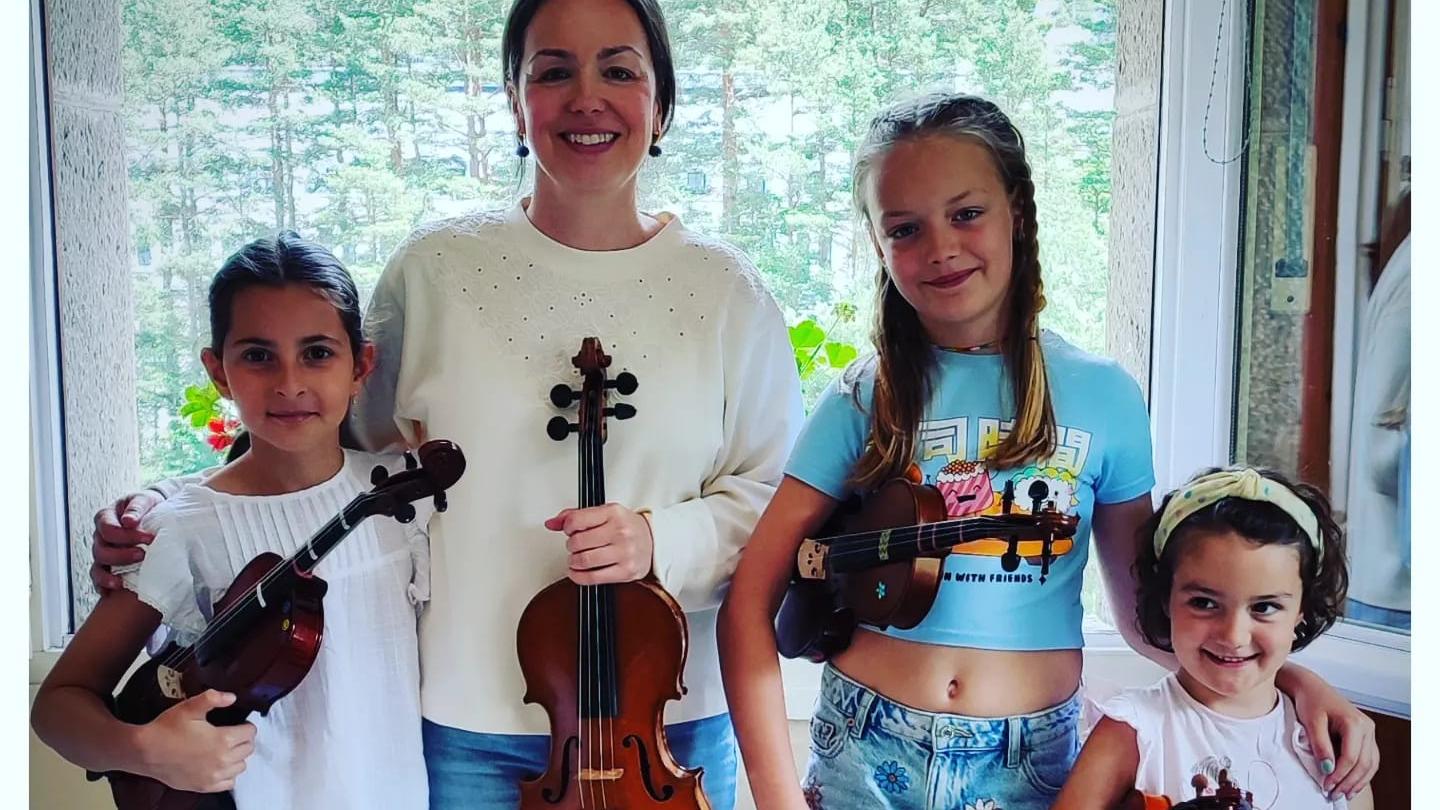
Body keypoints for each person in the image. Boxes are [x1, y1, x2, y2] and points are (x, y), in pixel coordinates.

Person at [87, 1, 803, 807]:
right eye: (552, 71)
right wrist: (169, 505)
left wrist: (659, 538)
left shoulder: (727, 290)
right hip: (464, 720)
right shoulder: (434, 270)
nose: (586, 97)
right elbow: (321, 449)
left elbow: (775, 503)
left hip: (663, 715)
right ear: (513, 99)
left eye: (619, 69)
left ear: (662, 101)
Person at [717, 92, 1378, 810]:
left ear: (1018, 213)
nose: (939, 247)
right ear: (879, 245)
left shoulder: (1104, 397)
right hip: (866, 752)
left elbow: (1151, 621)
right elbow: (749, 602)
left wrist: (1292, 681)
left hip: (1030, 768)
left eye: (966, 213)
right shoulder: (861, 397)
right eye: (904, 229)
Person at [34, 233, 432, 809]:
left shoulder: (402, 490)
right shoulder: (182, 527)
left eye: (317, 352)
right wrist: (147, 749)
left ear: (360, 363)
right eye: (257, 355)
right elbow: (58, 707)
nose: (289, 382)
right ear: (218, 371)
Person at [1054, 466, 1374, 810]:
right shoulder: (1132, 732)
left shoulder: (1335, 747)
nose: (1234, 636)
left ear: (1302, 610)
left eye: (1265, 607)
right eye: (1204, 603)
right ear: (1165, 599)